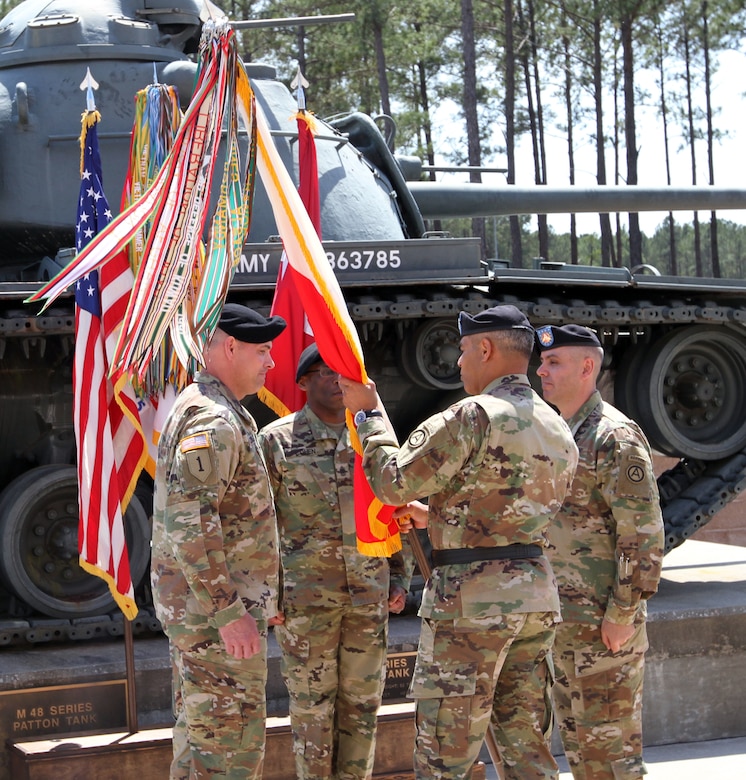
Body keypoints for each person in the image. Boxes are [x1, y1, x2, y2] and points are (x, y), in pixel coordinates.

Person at [338, 305, 579, 780]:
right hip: (534, 599)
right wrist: (441, 517)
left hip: (471, 607)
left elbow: (393, 482)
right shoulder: (556, 425)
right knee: (527, 752)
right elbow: (515, 511)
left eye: (465, 350)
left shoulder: (472, 415)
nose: (459, 362)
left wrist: (368, 414)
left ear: (486, 348)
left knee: (444, 756)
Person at [258, 343, 413, 780]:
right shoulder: (276, 441)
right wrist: (269, 594)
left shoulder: (372, 439)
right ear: (303, 382)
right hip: (305, 605)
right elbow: (258, 524)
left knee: (362, 708)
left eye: (340, 373)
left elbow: (392, 511)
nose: (335, 380)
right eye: (323, 373)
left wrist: (400, 578)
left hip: (368, 597)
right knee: (312, 711)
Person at [150, 303, 286, 780]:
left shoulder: (212, 410)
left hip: (206, 617)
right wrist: (230, 614)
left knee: (200, 752)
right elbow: (190, 522)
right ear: (230, 347)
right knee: (228, 756)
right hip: (216, 624)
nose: (271, 362)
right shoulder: (214, 421)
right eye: (263, 351)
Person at [535, 323, 665, 780]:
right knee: (582, 755)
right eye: (543, 362)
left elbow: (643, 535)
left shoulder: (613, 437)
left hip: (602, 630)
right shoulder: (560, 433)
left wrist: (623, 613)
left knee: (611, 761)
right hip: (564, 625)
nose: (541, 371)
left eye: (554, 362)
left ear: (587, 367)